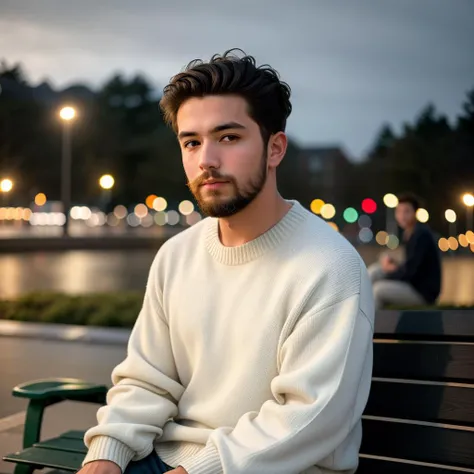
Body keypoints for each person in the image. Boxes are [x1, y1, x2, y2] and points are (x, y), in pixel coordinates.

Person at [78, 49, 374, 474]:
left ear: (275, 149)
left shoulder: (329, 267)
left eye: (229, 137)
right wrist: (106, 453)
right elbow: (147, 380)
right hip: (169, 459)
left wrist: (198, 470)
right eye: (192, 142)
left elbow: (310, 417)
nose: (206, 161)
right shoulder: (176, 255)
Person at [368, 193, 442, 309]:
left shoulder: (421, 235)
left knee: (378, 290)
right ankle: (359, 311)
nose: (402, 216)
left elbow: (411, 272)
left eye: (407, 211)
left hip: (422, 292)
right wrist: (392, 265)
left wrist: (390, 272)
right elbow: (410, 265)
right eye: (399, 211)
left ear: (415, 213)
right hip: (412, 283)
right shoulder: (409, 233)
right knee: (374, 271)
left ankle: (374, 324)